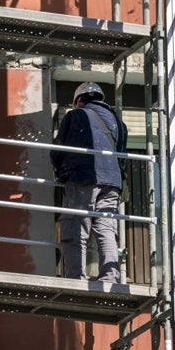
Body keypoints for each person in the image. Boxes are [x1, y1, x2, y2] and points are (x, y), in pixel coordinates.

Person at [51, 81, 128, 283]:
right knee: (106, 228)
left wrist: (60, 171)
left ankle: (76, 276)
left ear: (80, 100)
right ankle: (110, 277)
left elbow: (59, 149)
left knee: (75, 227)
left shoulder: (76, 115)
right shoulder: (119, 124)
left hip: (84, 177)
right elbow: (122, 157)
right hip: (112, 183)